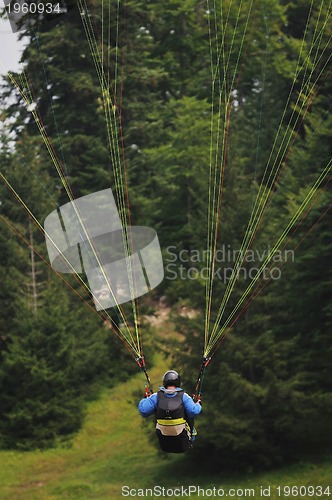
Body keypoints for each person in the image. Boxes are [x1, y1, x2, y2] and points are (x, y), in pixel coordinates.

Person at [138, 370, 202, 453]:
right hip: (182, 440)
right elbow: (193, 412)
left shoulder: (156, 396)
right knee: (190, 425)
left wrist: (145, 399)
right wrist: (198, 404)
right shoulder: (184, 396)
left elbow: (144, 411)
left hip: (164, 441)